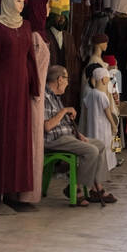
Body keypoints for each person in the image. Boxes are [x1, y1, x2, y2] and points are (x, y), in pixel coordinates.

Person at [43, 64, 117, 206]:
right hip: (54, 140)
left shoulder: (56, 97)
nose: (67, 82)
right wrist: (64, 111)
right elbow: (47, 126)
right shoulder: (45, 97)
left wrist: (78, 135)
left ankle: (96, 188)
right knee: (91, 151)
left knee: (99, 145)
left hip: (66, 137)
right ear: (59, 79)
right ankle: (75, 187)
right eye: (66, 78)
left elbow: (63, 124)